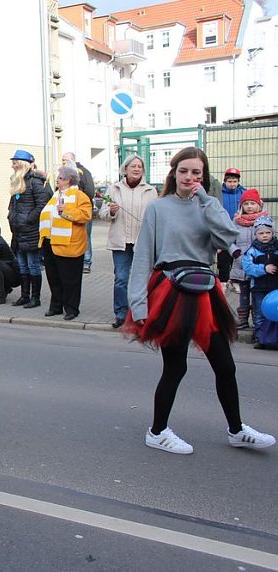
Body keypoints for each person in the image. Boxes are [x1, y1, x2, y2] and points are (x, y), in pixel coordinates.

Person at [124, 147, 275, 454]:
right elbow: (142, 259)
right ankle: (157, 431)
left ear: (204, 177)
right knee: (175, 366)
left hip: (205, 290)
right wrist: (138, 304)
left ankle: (236, 430)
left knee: (225, 365)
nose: (190, 178)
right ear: (174, 173)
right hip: (171, 291)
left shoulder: (209, 205)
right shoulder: (158, 208)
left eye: (197, 173)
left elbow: (228, 237)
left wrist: (207, 201)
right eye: (184, 171)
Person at [98, 154, 158, 328]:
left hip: (142, 242)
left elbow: (156, 216)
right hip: (121, 242)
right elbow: (102, 214)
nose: (137, 169)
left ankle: (142, 313)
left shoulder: (150, 190)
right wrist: (112, 212)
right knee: (121, 279)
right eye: (133, 166)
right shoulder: (114, 189)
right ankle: (121, 314)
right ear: (125, 169)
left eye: (140, 166)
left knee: (143, 279)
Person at [38, 166, 92, 320]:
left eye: (60, 178)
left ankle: (72, 309)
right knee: (53, 277)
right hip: (51, 243)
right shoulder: (56, 195)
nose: (57, 180)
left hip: (70, 245)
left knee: (70, 280)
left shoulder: (79, 196)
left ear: (69, 180)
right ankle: (56, 306)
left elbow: (85, 215)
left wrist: (66, 210)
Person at [7, 150, 52, 309]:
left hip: (31, 230)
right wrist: (11, 217)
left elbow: (42, 205)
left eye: (15, 163)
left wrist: (27, 219)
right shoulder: (16, 180)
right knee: (22, 266)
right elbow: (13, 204)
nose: (13, 166)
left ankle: (35, 298)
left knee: (33, 265)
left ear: (23, 164)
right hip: (18, 231)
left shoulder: (35, 182)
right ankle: (24, 296)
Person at [232, 189, 267, 330]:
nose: (249, 206)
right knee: (243, 293)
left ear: (259, 205)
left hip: (258, 264)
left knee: (257, 293)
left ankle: (257, 321)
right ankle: (242, 320)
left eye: (252, 203)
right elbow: (228, 240)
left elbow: (269, 239)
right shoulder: (235, 222)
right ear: (241, 206)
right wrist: (235, 252)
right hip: (240, 263)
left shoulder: (264, 221)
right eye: (246, 204)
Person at [242, 215, 278, 349]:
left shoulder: (276, 248)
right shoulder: (252, 250)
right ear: (255, 234)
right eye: (261, 233)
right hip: (259, 288)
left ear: (272, 233)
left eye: (268, 233)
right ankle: (260, 338)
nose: (264, 236)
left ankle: (274, 338)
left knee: (275, 312)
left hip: (275, 288)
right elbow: (248, 267)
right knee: (260, 314)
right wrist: (264, 268)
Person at [61, 152, 95, 273]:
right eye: (62, 160)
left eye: (65, 160)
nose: (63, 162)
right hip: (67, 212)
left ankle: (86, 261)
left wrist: (79, 200)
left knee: (85, 235)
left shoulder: (83, 172)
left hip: (81, 209)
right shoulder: (62, 175)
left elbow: (90, 191)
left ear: (73, 160)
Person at [218, 168, 245, 291]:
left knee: (238, 256)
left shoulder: (243, 193)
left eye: (235, 181)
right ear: (225, 181)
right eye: (230, 181)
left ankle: (236, 281)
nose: (232, 184)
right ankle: (223, 282)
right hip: (223, 230)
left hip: (239, 229)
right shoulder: (219, 193)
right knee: (224, 257)